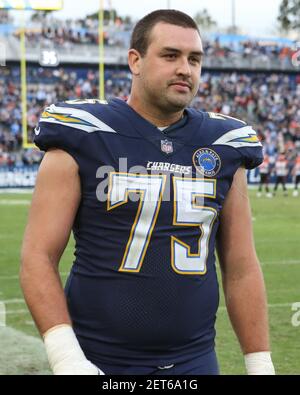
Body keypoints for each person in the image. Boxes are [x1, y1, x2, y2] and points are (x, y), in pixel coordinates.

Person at [20, 9, 275, 375]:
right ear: (135, 61)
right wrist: (67, 357)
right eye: (170, 56)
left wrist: (260, 363)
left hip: (196, 359)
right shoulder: (84, 131)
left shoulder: (224, 143)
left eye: (194, 59)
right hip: (98, 358)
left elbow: (241, 266)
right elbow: (38, 257)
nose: (185, 69)